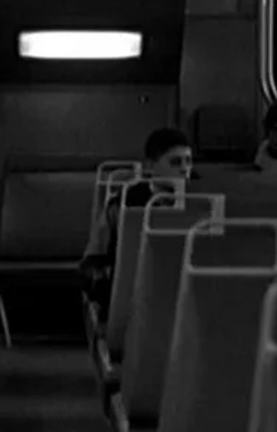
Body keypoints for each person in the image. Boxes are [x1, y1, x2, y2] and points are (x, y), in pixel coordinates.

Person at [79, 128, 193, 312]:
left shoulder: (203, 200)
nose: (185, 170)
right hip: (133, 293)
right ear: (150, 166)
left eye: (189, 162)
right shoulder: (124, 203)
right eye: (175, 162)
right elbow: (94, 258)